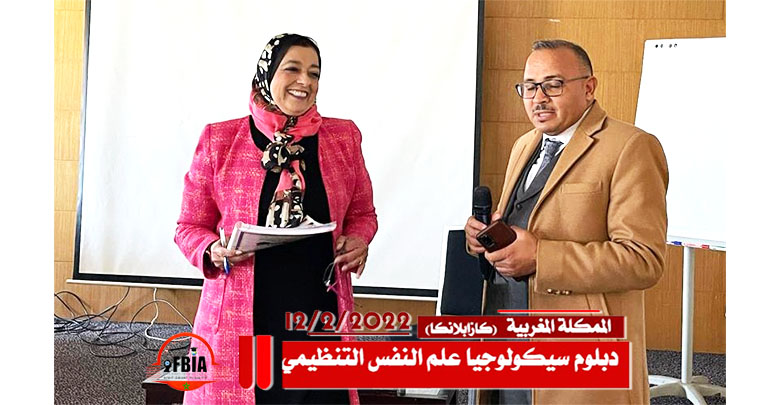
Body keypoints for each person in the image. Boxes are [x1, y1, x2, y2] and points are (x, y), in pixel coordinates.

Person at [175, 33, 377, 404]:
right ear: (267, 74)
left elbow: (363, 214)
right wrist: (213, 249)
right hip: (244, 316)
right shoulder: (220, 139)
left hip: (319, 314)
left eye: (314, 73)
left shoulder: (343, 137)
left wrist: (359, 240)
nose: (305, 81)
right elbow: (189, 226)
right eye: (293, 69)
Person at [464, 39, 668, 404]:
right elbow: (525, 225)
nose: (538, 98)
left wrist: (541, 257)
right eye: (529, 87)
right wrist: (484, 239)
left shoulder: (631, 146)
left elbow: (643, 260)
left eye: (553, 85)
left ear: (589, 87)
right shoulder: (525, 144)